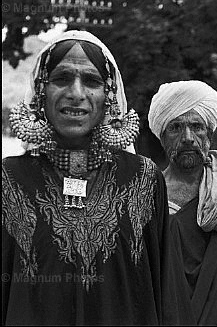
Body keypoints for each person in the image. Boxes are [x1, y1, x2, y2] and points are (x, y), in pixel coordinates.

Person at [2, 31, 168, 325]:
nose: (76, 94)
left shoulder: (144, 180)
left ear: (109, 97)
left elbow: (164, 292)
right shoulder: (9, 181)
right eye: (62, 78)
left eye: (91, 81)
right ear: (41, 91)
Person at [148, 80, 217, 325]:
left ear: (209, 133)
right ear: (162, 137)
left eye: (197, 126)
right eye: (176, 127)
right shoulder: (147, 194)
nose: (188, 138)